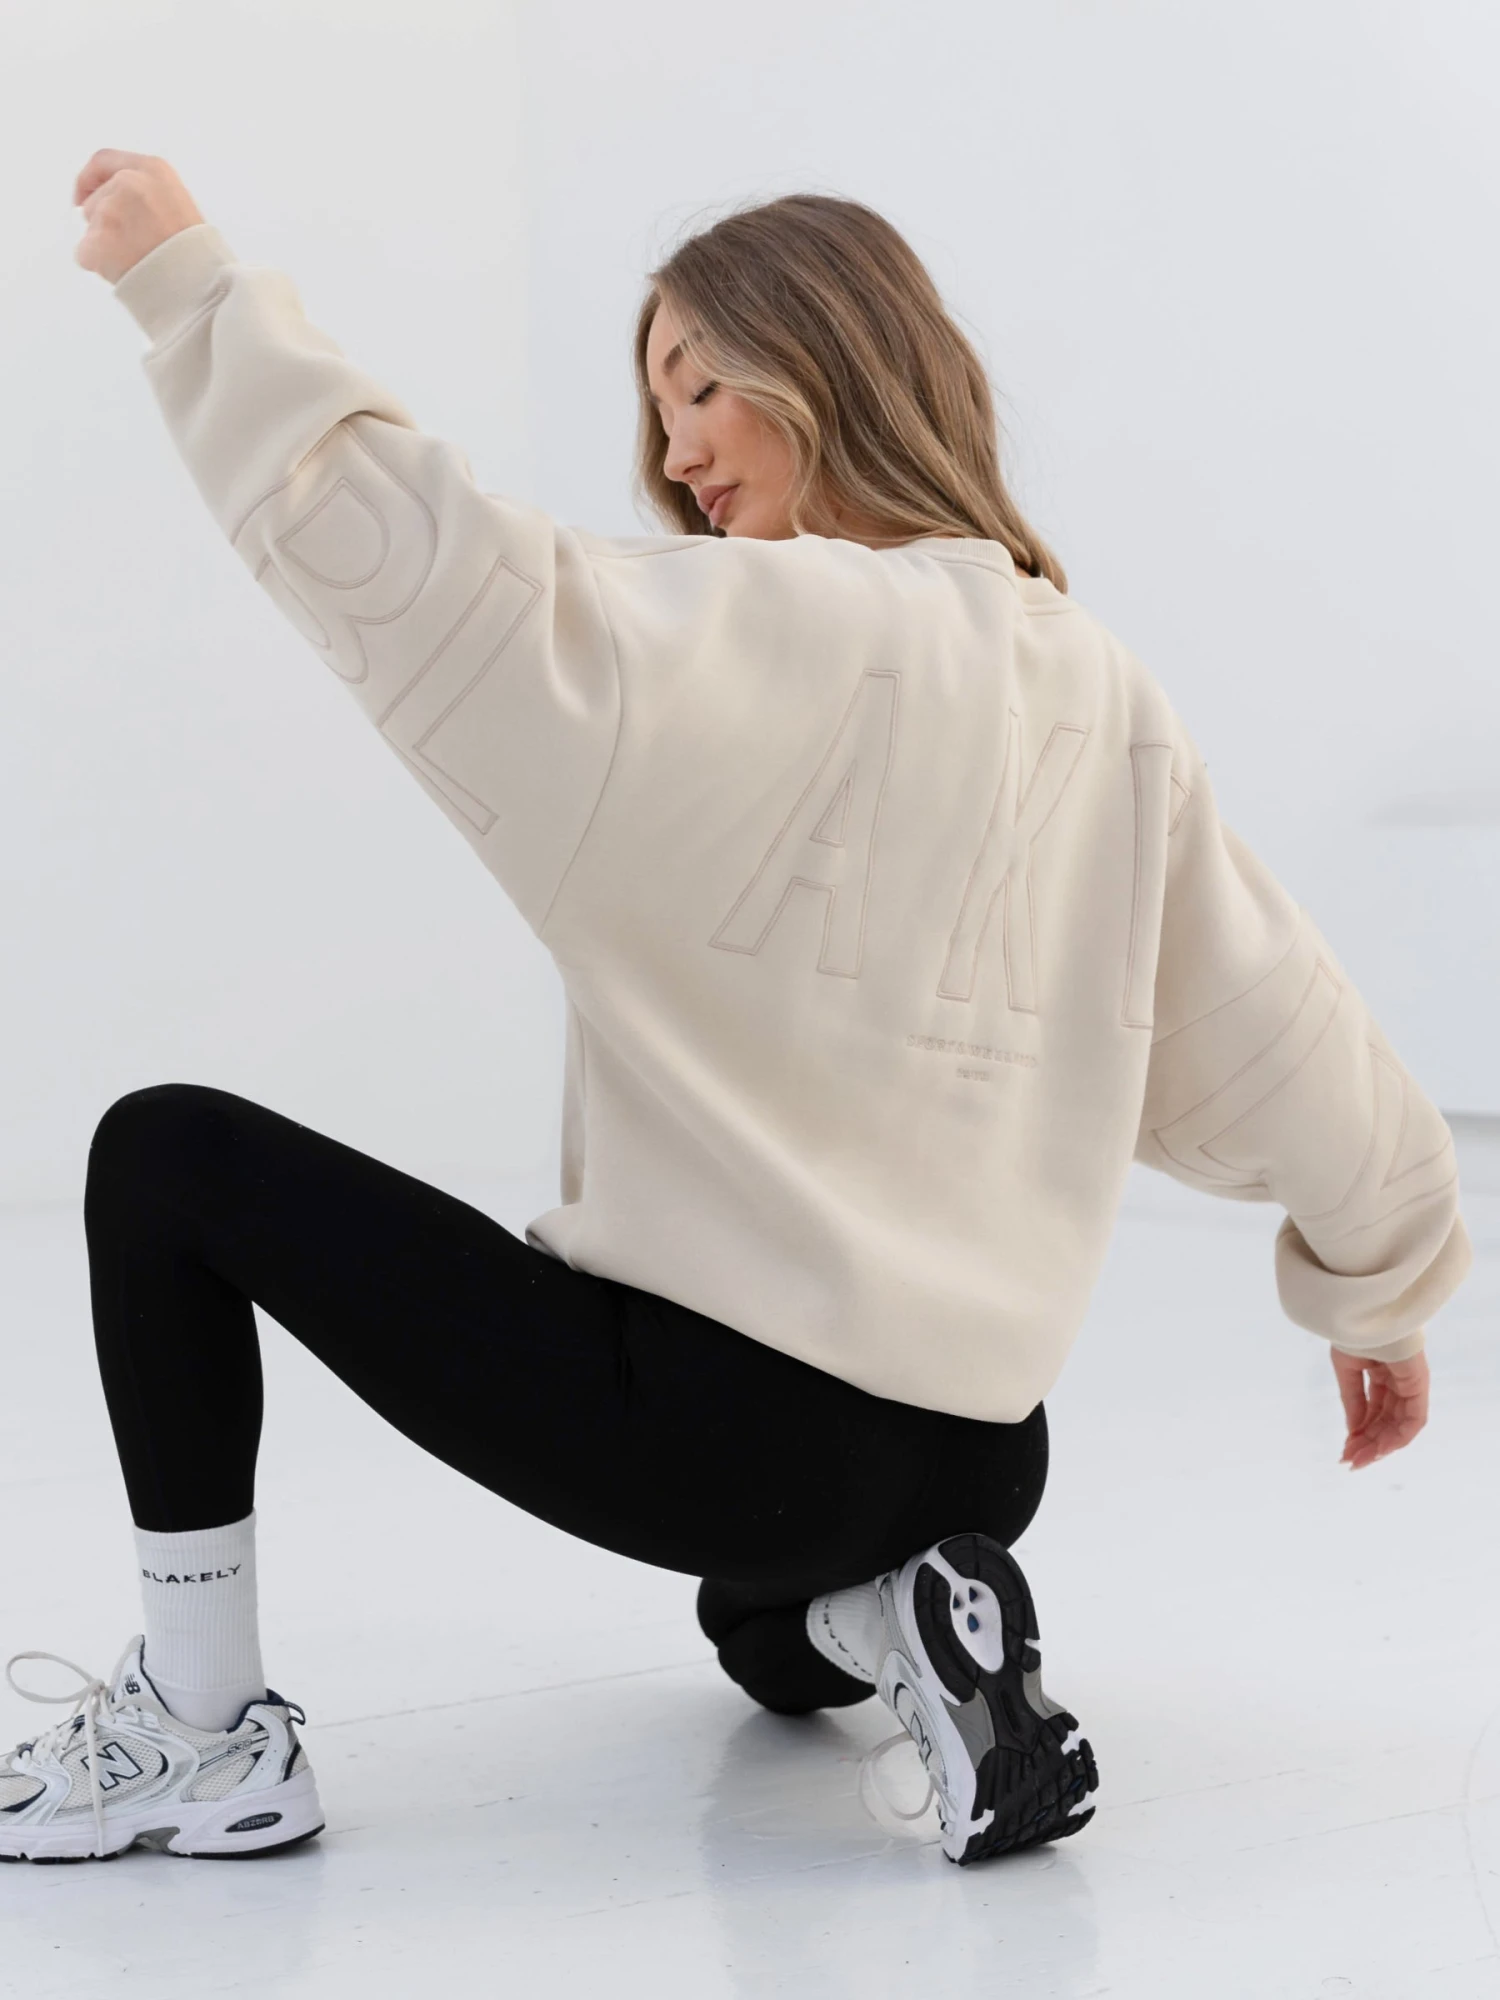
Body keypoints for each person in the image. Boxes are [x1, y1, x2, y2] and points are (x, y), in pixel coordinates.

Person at [0, 150, 1471, 1870]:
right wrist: (1383, 1285)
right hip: (983, 1456)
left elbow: (436, 575)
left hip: (733, 1437)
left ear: (828, 363)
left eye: (703, 385)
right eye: (658, 404)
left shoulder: (752, 627)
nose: (678, 448)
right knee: (757, 1640)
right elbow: (1269, 1012)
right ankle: (903, 1612)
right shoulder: (1094, 679)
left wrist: (190, 291)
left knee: (166, 1160)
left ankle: (197, 1733)